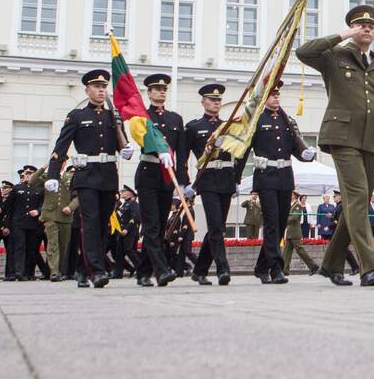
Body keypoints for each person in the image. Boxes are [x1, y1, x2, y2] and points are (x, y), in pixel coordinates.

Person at [296, 4, 374, 288]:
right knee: (356, 196)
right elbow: (304, 51)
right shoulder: (334, 56)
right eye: (360, 25)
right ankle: (370, 268)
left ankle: (330, 265)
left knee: (358, 201)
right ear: (353, 28)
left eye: (370, 26)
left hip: (370, 140)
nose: (366, 29)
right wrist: (341, 35)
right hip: (341, 137)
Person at [45, 69, 126, 288]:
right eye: (96, 87)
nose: (101, 90)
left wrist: (126, 149)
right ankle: (97, 271)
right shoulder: (77, 116)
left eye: (103, 87)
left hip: (108, 176)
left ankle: (83, 267)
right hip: (87, 176)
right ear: (87, 90)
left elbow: (122, 142)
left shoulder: (113, 116)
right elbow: (60, 147)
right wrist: (53, 174)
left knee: (102, 226)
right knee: (90, 223)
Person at [250, 81, 316, 284]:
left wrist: (306, 154)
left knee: (278, 225)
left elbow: (296, 148)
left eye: (278, 94)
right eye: (272, 94)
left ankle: (261, 267)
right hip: (266, 176)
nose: (276, 97)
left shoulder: (287, 120)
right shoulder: (257, 120)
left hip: (285, 177)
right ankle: (275, 268)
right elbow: (244, 149)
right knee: (271, 223)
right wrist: (235, 177)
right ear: (263, 97)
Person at [187, 83, 242, 287]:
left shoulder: (228, 126)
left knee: (217, 228)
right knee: (216, 226)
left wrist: (236, 179)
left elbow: (239, 153)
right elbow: (183, 155)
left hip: (226, 179)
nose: (216, 103)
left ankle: (200, 270)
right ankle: (222, 268)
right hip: (208, 180)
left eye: (218, 100)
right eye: (211, 100)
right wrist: (185, 182)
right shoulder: (193, 127)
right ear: (203, 102)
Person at [133, 73, 184, 288]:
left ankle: (143, 272)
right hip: (148, 173)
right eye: (157, 89)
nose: (162, 92)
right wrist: (157, 149)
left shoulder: (175, 118)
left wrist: (182, 181)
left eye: (164, 89)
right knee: (152, 224)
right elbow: (142, 138)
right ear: (149, 92)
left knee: (160, 225)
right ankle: (161, 270)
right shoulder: (141, 116)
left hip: (167, 177)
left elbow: (181, 151)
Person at [29, 164, 75, 281]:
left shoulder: (71, 176)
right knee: (52, 243)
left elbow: (78, 195)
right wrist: (44, 167)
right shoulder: (47, 176)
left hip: (65, 216)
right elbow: (32, 182)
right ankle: (54, 272)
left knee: (63, 245)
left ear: (64, 162)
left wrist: (71, 207)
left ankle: (59, 270)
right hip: (49, 215)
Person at [283, 193, 320, 275]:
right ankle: (284, 270)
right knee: (286, 252)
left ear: (294, 196)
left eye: (291, 195)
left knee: (300, 250)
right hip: (290, 232)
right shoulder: (292, 205)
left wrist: (284, 219)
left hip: (295, 232)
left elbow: (295, 217)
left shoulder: (298, 205)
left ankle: (313, 266)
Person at [113, 185, 140, 278]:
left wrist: (127, 229)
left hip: (130, 231)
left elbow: (134, 217)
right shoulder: (124, 204)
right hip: (122, 230)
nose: (121, 192)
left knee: (129, 249)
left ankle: (140, 268)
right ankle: (118, 273)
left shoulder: (133, 204)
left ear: (129, 193)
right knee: (119, 252)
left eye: (123, 191)